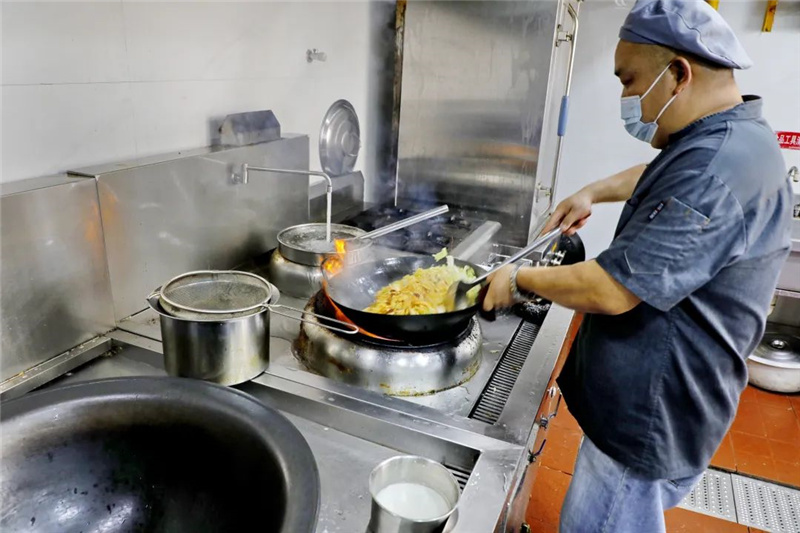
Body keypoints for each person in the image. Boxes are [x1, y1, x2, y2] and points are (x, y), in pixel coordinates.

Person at [482, 1, 794, 531]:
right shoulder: (731, 137)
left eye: (628, 80)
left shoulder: (713, 171)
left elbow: (611, 288)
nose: (626, 98)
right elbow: (664, 171)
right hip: (670, 398)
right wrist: (593, 191)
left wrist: (517, 279)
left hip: (651, 411)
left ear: (678, 74)